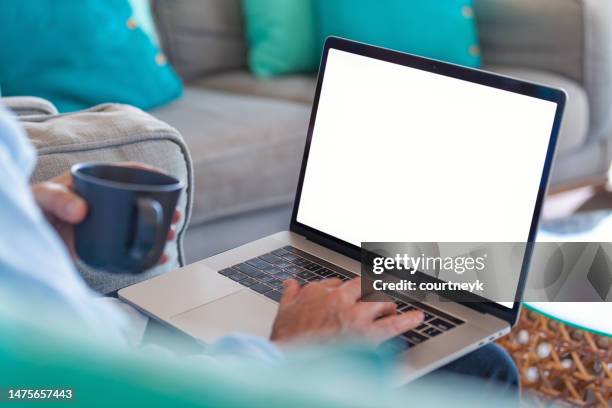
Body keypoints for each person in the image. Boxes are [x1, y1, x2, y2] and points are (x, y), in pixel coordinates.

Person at [0, 105, 518, 404]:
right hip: (129, 375)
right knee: (482, 367)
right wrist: (290, 352)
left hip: (101, 348)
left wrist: (28, 224)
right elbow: (55, 393)